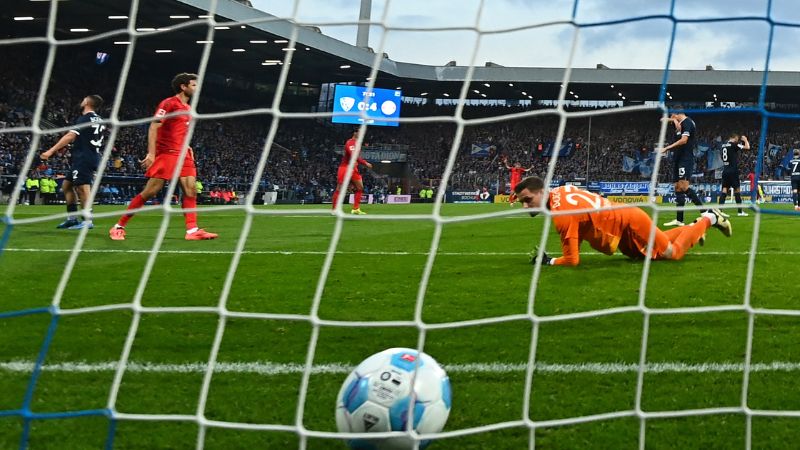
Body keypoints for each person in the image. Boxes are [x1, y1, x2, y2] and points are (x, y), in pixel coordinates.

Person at [513, 176, 731, 266]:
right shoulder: (560, 190)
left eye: (528, 200)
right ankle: (693, 228)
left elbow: (572, 260)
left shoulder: (562, 215)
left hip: (629, 220)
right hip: (619, 229)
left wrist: (549, 261)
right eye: (522, 201)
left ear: (542, 192)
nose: (525, 206)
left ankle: (710, 217)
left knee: (671, 254)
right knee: (648, 256)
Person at [109, 73, 217, 241]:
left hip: (183, 154)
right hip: (168, 153)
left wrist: (187, 146)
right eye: (194, 85)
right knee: (150, 191)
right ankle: (118, 226)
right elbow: (154, 126)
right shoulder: (169, 104)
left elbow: (179, 131)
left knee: (191, 190)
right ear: (183, 86)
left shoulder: (188, 109)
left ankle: (192, 230)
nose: (197, 88)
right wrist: (151, 153)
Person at [40, 95, 105, 229]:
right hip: (88, 156)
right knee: (67, 186)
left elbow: (71, 135)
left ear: (87, 102)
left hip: (84, 157)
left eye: (83, 99)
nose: (81, 101)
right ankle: (72, 218)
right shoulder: (99, 119)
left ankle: (87, 221)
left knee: (82, 188)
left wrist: (51, 151)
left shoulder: (85, 118)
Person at [660, 108, 705, 226]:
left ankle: (705, 211)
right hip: (677, 159)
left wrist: (667, 148)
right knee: (677, 188)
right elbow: (662, 119)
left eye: (672, 116)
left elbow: (684, 140)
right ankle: (679, 220)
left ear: (677, 114)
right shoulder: (678, 125)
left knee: (684, 187)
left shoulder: (688, 123)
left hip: (686, 159)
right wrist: (673, 121)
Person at [331, 130, 372, 215]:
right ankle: (334, 210)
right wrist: (365, 163)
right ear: (355, 133)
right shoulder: (350, 142)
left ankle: (356, 209)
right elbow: (353, 155)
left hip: (353, 169)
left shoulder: (357, 143)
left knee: (360, 188)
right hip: (345, 168)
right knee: (340, 189)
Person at [718, 133, 750, 217]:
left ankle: (720, 211)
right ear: (735, 138)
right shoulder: (734, 144)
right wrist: (745, 140)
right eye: (737, 138)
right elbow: (747, 147)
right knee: (737, 190)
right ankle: (740, 212)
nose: (737, 140)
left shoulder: (723, 145)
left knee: (724, 190)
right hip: (733, 171)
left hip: (725, 170)